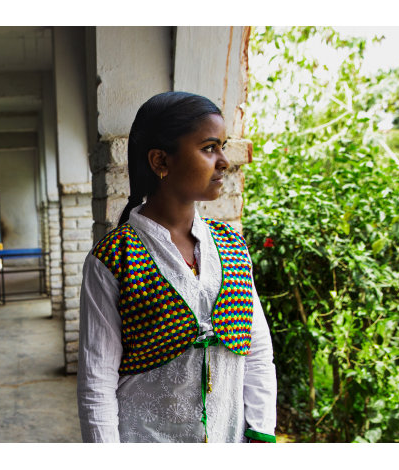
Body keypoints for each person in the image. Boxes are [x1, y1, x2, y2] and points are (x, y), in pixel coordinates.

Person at [77, 91, 277, 443]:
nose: (224, 161)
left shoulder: (231, 246)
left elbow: (257, 351)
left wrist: (261, 432)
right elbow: (96, 382)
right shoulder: (113, 259)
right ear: (160, 161)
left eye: (223, 147)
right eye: (209, 148)